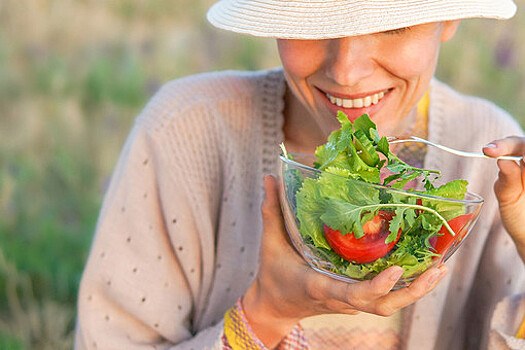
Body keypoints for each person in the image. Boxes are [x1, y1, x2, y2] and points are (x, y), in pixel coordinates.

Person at [74, 0, 525, 349]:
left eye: (392, 25)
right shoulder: (184, 133)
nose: (346, 71)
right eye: (311, 19)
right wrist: (264, 314)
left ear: (449, 20)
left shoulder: (484, 153)